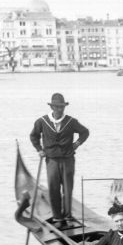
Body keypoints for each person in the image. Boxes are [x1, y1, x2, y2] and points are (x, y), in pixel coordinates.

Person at [29, 93, 90, 225]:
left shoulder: (71, 121)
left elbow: (85, 132)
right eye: (56, 107)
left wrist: (77, 143)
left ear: (64, 107)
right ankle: (57, 217)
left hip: (68, 159)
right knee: (53, 188)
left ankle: (68, 215)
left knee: (68, 189)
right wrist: (39, 149)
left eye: (61, 107)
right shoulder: (42, 121)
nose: (59, 109)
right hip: (51, 160)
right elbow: (34, 136)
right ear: (52, 107)